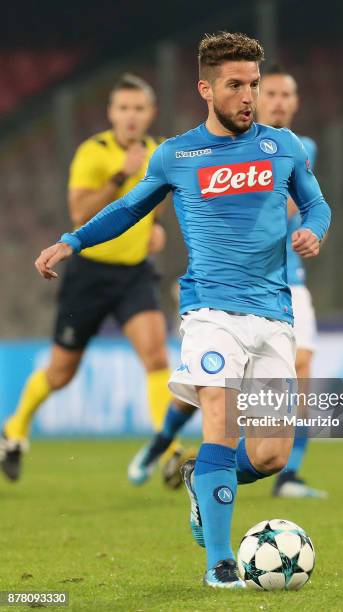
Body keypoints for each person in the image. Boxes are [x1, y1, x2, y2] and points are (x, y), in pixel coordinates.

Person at [34, 32, 331, 588]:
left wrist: (313, 231)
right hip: (209, 311)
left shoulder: (283, 147)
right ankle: (220, 564)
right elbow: (127, 208)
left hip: (272, 313)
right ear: (206, 89)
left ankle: (202, 479)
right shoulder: (176, 154)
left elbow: (316, 203)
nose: (248, 97)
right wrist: (71, 241)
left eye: (254, 85)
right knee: (217, 420)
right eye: (235, 86)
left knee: (269, 454)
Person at [0, 74, 186, 483]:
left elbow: (152, 205)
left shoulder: (160, 152)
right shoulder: (94, 153)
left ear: (150, 113)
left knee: (156, 356)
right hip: (88, 275)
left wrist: (156, 229)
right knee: (61, 374)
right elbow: (80, 213)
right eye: (123, 108)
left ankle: (169, 450)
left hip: (134, 275)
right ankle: (14, 430)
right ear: (111, 114)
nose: (131, 116)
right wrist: (120, 176)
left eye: (139, 108)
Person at [257, 64, 328, 499]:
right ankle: (172, 446)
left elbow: (281, 209)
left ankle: (289, 474)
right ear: (256, 99)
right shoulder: (235, 149)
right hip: (243, 283)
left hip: (291, 280)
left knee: (302, 371)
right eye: (272, 94)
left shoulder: (302, 147)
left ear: (296, 102)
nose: (280, 101)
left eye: (287, 94)